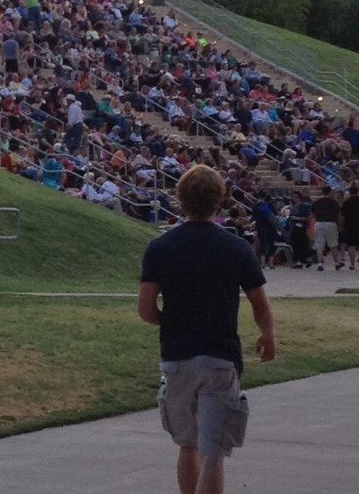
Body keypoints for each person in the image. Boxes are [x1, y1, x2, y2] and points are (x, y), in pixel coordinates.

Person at [138, 165, 275, 494]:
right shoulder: (236, 248)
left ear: (179, 200)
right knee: (213, 452)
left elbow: (145, 309)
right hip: (220, 356)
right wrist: (267, 334)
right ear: (220, 201)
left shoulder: (160, 247)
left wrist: (169, 320)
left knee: (188, 445)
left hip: (177, 356)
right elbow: (260, 303)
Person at [311, 186, 344, 271]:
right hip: (331, 223)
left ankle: (320, 263)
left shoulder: (317, 202)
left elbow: (312, 214)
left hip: (319, 223)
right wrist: (340, 225)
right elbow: (339, 215)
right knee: (333, 244)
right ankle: (336, 263)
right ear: (329, 192)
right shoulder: (333, 202)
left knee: (319, 244)